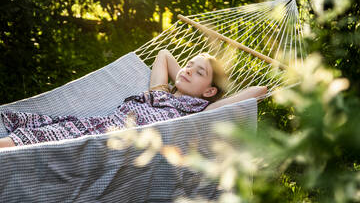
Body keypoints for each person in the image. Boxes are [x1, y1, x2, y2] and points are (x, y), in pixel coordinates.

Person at [0, 49, 266, 149]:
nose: (186, 69)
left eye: (199, 72)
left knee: (34, 141)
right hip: (97, 124)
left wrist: (198, 89)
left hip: (109, 139)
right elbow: (163, 54)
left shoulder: (199, 112)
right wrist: (188, 78)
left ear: (210, 92)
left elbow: (258, 92)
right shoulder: (160, 92)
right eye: (187, 64)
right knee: (35, 131)